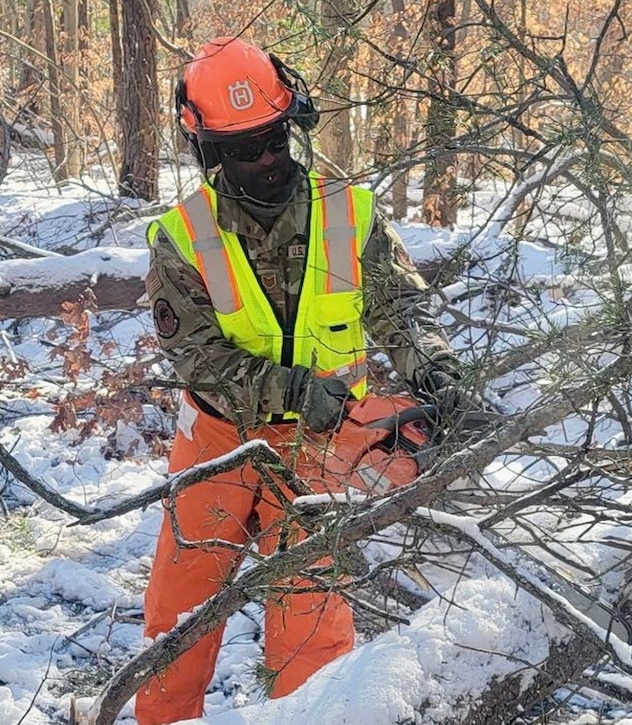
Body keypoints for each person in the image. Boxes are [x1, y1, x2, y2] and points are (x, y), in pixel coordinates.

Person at [137, 36, 472, 725]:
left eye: (271, 138)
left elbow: (399, 308)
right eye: (243, 148)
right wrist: (292, 389)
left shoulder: (349, 210)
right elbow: (198, 357)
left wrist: (436, 370)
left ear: (292, 123)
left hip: (319, 448)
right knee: (178, 625)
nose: (264, 159)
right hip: (216, 445)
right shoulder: (182, 236)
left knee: (314, 633)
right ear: (208, 149)